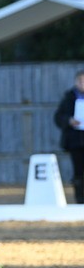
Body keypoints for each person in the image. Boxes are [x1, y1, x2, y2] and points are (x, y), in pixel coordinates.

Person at [53, 70, 84, 204]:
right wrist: (69, 120)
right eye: (80, 81)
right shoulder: (69, 98)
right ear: (75, 82)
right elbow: (58, 117)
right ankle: (80, 200)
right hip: (75, 141)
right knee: (79, 173)